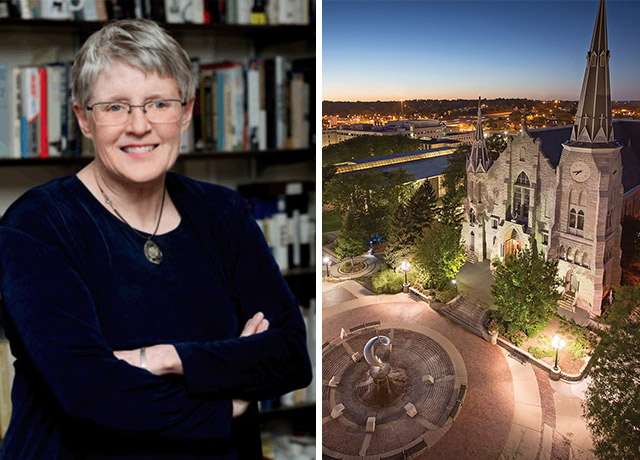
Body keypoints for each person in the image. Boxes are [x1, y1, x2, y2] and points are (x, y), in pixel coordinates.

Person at [0, 19, 312, 459]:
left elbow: (289, 356)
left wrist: (164, 358)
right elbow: (89, 391)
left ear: (186, 112)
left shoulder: (223, 212)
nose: (139, 126)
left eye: (158, 103)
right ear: (83, 119)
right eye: (115, 107)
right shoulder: (37, 225)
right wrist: (227, 402)